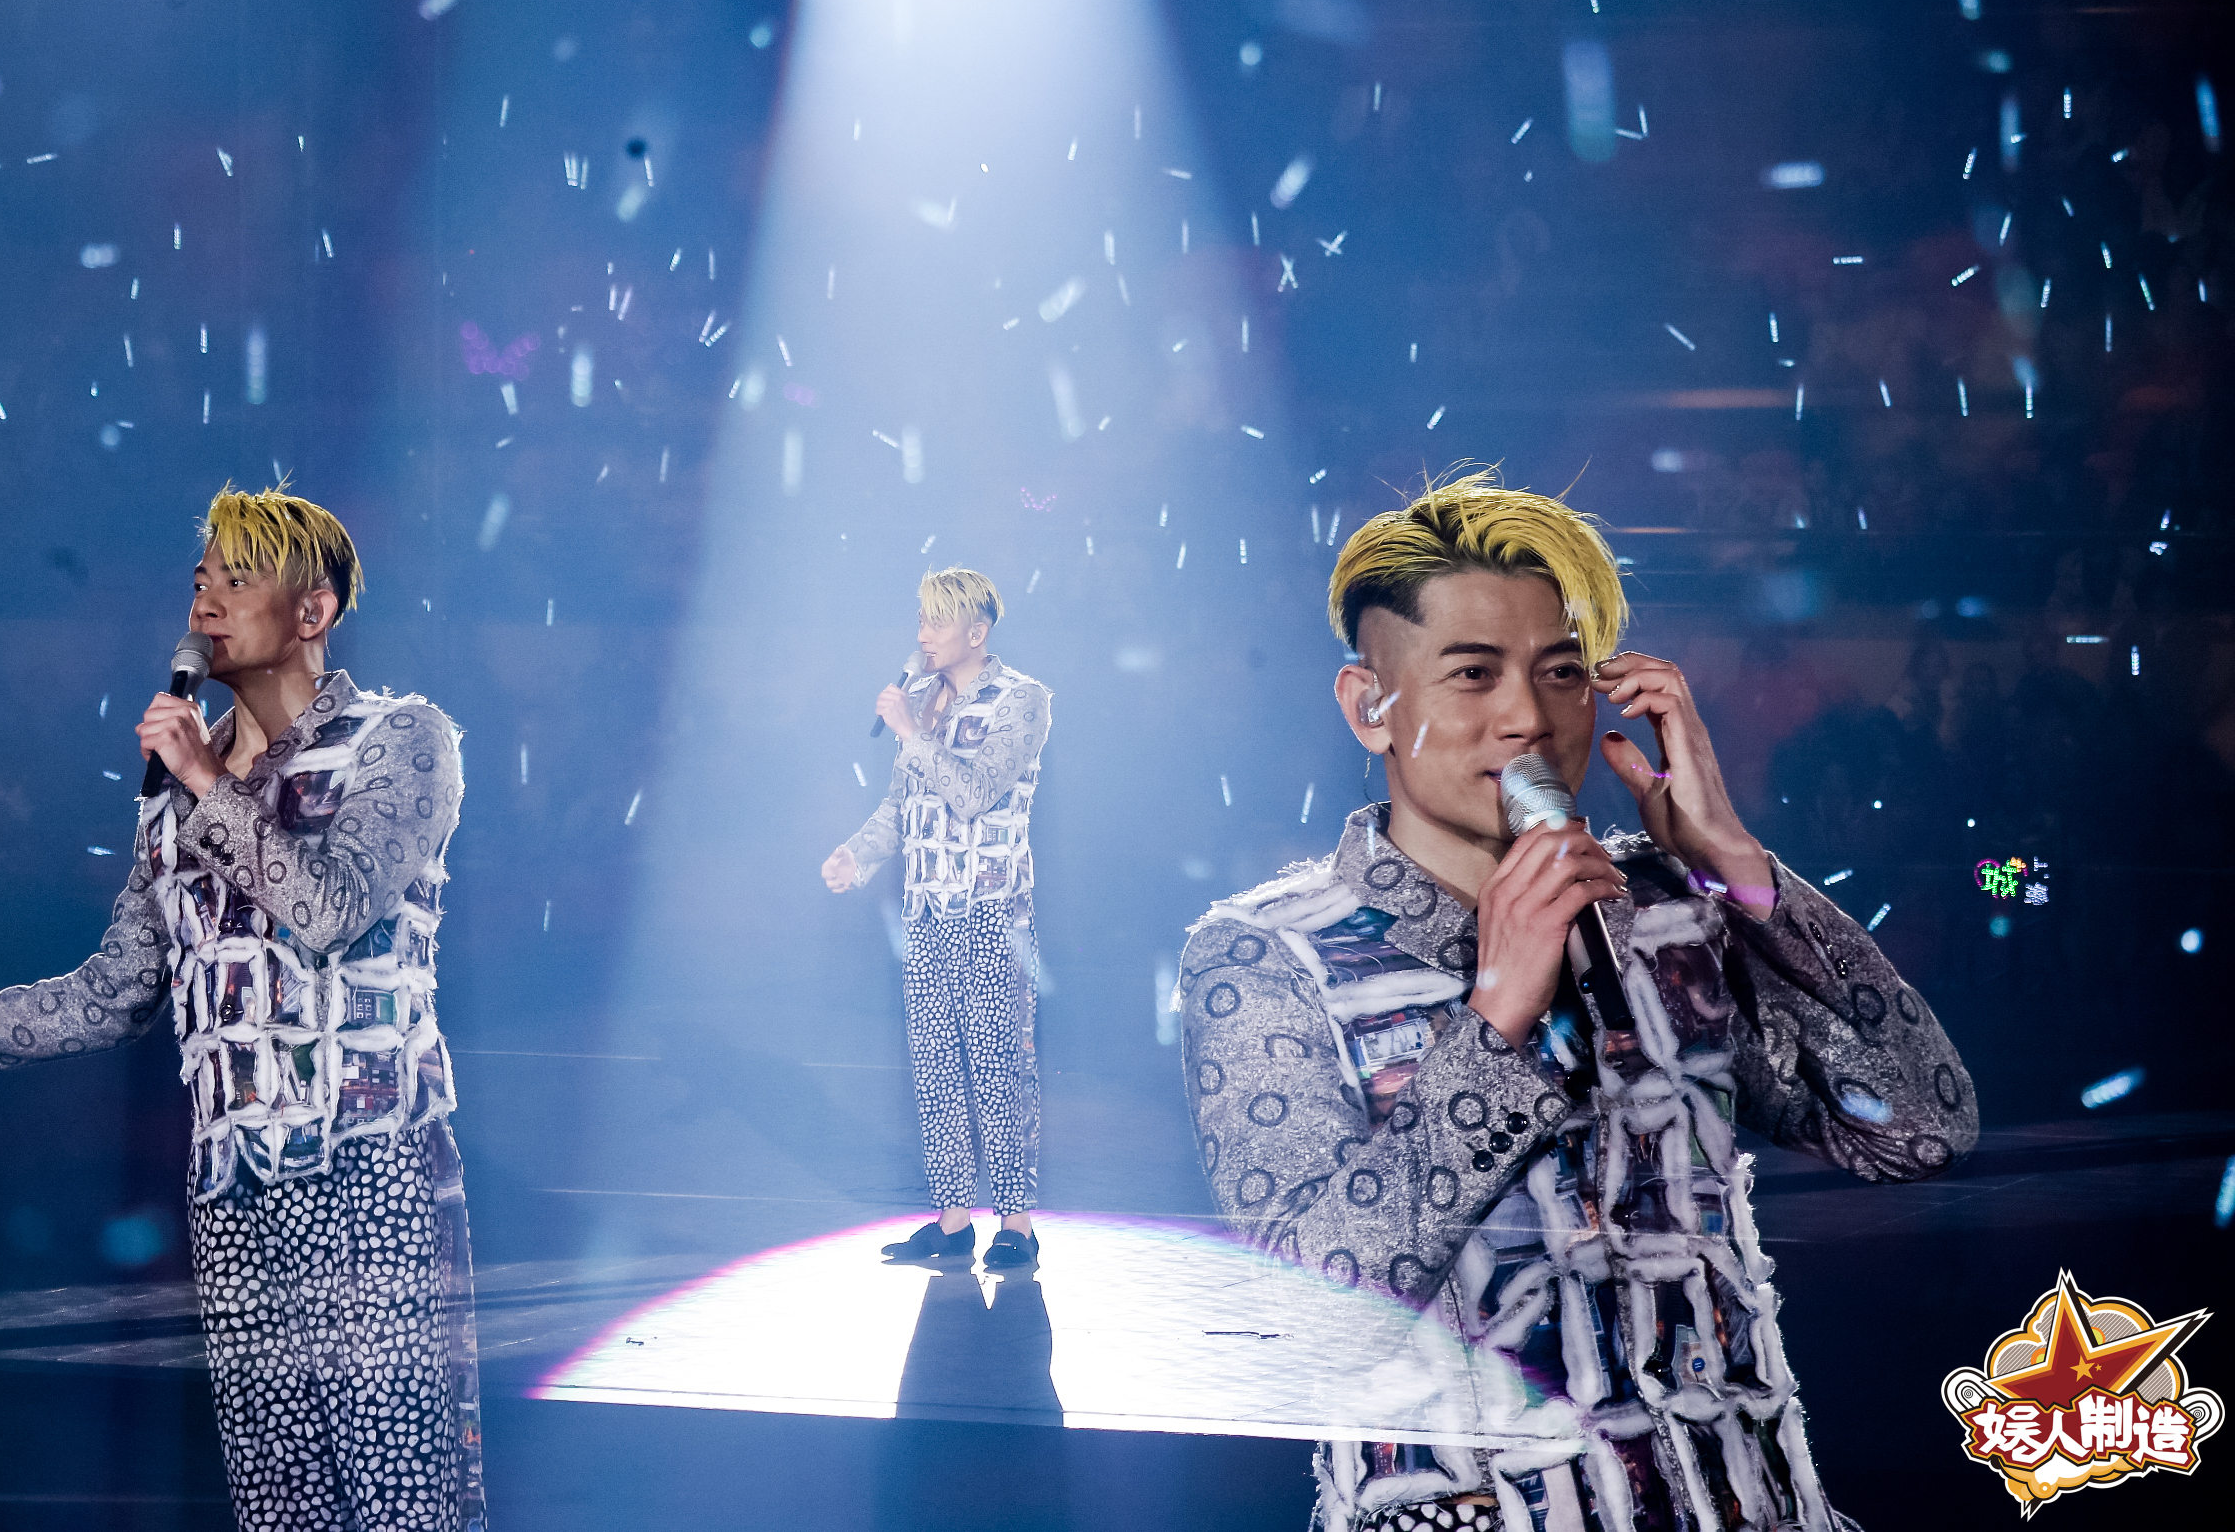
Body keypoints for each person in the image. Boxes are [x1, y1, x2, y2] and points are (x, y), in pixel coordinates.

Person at [1177, 470, 1976, 1532]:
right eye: (1473, 674)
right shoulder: (1269, 952)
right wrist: (1493, 1017)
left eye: (1561, 672)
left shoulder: (1668, 909)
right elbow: (1302, 1318)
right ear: (1371, 706)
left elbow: (1918, 1129)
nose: (1528, 717)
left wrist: (1740, 870)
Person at [0, 483, 486, 1532]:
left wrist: (204, 777)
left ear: (314, 609)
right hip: (232, 1182)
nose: (206, 596)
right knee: (281, 1501)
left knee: (398, 1492)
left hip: (366, 1161)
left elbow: (332, 910)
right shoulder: (172, 795)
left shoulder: (400, 739)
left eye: (238, 576)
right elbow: (113, 993)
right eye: (202, 576)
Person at [823, 567, 1053, 1272]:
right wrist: (857, 854)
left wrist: (911, 732)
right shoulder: (921, 701)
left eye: (938, 621)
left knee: (997, 1063)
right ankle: (954, 1219)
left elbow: (975, 794)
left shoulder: (1022, 700)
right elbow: (903, 806)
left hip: (991, 908)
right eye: (921, 619)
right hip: (924, 907)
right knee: (936, 1067)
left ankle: (1016, 1223)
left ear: (976, 632)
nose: (923, 634)